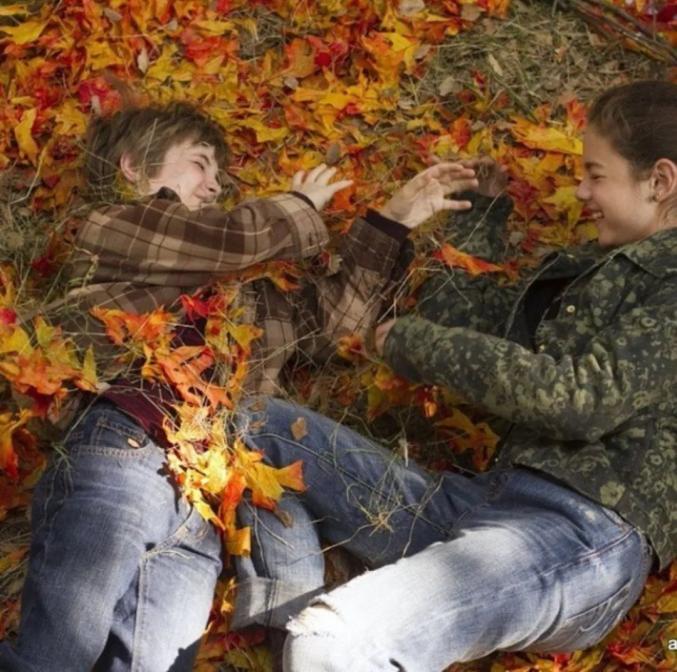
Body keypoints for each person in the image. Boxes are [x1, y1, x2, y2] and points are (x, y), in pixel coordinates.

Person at [0, 102, 478, 671]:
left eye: (219, 174)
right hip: (124, 445)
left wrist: (391, 221)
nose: (214, 184)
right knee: (55, 657)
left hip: (201, 503)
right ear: (132, 165)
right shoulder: (114, 226)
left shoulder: (242, 289)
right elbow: (228, 238)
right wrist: (299, 207)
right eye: (199, 163)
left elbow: (337, 324)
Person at [231, 79, 677, 671]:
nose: (580, 191)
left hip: (577, 537)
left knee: (333, 641)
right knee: (256, 425)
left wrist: (416, 345)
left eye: (596, 174)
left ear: (660, 181)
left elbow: (580, 399)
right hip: (483, 506)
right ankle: (285, 616)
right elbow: (468, 324)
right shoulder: (587, 272)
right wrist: (480, 218)